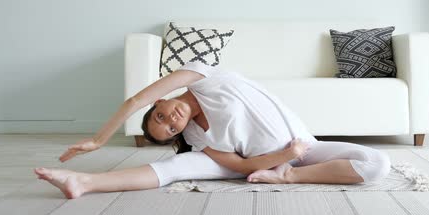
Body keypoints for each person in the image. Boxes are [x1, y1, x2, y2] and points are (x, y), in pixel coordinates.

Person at [34, 61, 391, 199]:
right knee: (177, 169)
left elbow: (133, 101)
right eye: (169, 128)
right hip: (275, 157)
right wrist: (283, 158)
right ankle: (83, 182)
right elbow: (241, 167)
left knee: (377, 164)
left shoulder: (203, 76)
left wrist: (98, 140)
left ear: (159, 103)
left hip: (306, 149)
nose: (171, 120)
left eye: (161, 117)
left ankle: (290, 178)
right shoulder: (194, 137)